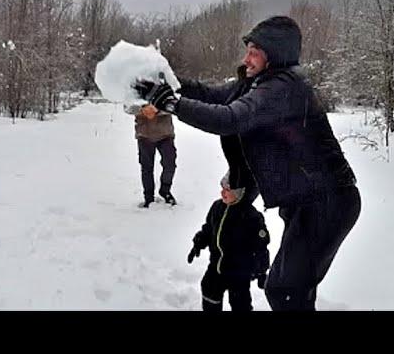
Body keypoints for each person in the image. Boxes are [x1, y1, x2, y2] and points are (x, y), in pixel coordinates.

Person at [134, 16, 361, 311]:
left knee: (286, 290)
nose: (246, 58)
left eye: (254, 51)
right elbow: (210, 95)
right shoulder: (258, 83)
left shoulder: (284, 87)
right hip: (308, 202)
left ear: (274, 53)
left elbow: (230, 118)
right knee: (290, 289)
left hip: (328, 201)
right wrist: (167, 84)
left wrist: (172, 104)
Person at [187, 150, 270, 312]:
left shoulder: (252, 217)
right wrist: (199, 242)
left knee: (241, 304)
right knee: (209, 292)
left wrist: (261, 272)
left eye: (228, 189)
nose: (223, 192)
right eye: (223, 187)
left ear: (241, 193)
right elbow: (209, 229)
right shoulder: (217, 207)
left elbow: (260, 247)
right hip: (216, 267)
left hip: (239, 273)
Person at [123, 102, 177, 208]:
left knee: (170, 165)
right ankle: (148, 197)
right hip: (144, 136)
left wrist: (156, 110)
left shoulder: (166, 86)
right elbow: (127, 108)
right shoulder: (133, 89)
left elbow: (174, 106)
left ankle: (165, 191)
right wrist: (142, 110)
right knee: (146, 168)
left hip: (166, 134)